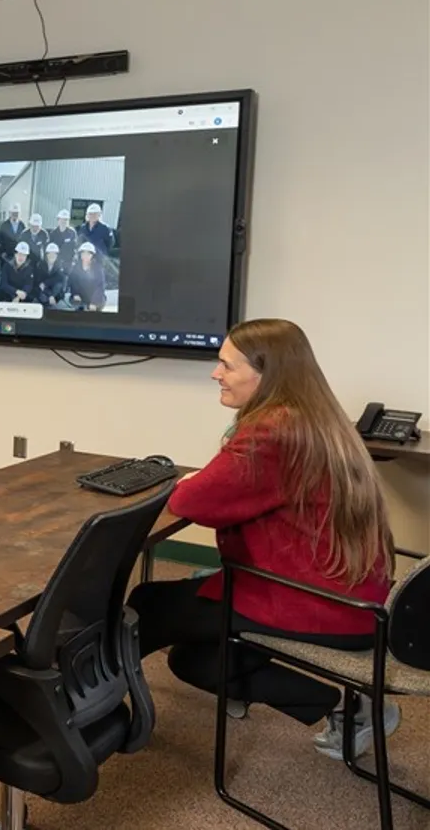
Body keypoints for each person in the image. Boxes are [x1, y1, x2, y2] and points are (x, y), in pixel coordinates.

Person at [127, 319, 397, 762]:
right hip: (352, 597)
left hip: (313, 599)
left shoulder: (274, 430)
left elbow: (192, 501)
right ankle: (350, 706)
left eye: (226, 365)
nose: (216, 374)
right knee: (191, 661)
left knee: (146, 606)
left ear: (265, 374)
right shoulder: (318, 419)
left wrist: (194, 482)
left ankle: (81, 718)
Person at [67, 241, 106, 311]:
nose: (85, 256)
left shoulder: (97, 268)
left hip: (94, 297)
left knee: (97, 306)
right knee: (75, 303)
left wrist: (94, 302)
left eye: (88, 254)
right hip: (81, 297)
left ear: (92, 255)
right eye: (83, 253)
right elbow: (72, 282)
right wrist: (75, 293)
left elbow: (100, 286)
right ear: (80, 254)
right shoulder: (76, 267)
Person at [35, 242, 68, 307]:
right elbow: (39, 281)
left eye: (54, 254)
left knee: (58, 285)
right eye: (50, 254)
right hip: (44, 290)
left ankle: (53, 300)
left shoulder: (60, 265)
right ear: (47, 255)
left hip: (55, 290)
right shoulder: (40, 265)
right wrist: (50, 295)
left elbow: (60, 278)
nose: (52, 256)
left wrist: (46, 283)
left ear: (57, 255)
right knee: (43, 298)